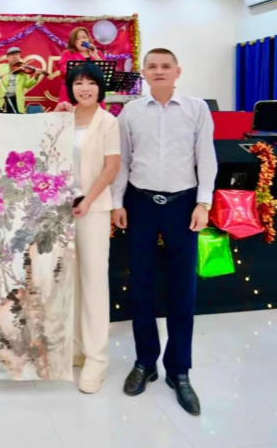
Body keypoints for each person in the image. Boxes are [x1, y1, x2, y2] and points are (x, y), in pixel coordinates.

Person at [111, 48, 217, 416]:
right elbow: (123, 160)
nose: (159, 71)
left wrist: (203, 203)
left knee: (182, 289)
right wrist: (117, 202)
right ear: (143, 72)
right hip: (140, 203)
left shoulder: (196, 109)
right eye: (152, 66)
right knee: (141, 285)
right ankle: (145, 363)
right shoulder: (130, 112)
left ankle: (179, 370)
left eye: (165, 66)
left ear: (177, 72)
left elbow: (206, 158)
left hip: (183, 205)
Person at [55, 63, 120, 394]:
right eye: (78, 83)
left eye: (91, 83)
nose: (84, 88)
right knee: (70, 280)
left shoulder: (108, 121)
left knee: (94, 281)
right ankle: (77, 347)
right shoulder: (62, 117)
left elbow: (112, 167)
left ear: (99, 88)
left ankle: (97, 358)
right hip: (61, 210)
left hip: (92, 209)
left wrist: (87, 199)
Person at [0, 46, 44, 114]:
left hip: (17, 101)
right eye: (12, 54)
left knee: (17, 119)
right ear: (7, 57)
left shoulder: (23, 69)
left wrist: (36, 76)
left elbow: (27, 85)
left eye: (17, 54)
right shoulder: (1, 66)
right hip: (2, 100)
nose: (15, 56)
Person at [58, 27, 102, 105]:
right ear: (73, 41)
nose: (82, 40)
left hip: (93, 93)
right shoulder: (68, 54)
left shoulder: (98, 53)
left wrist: (96, 57)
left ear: (88, 39)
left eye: (84, 37)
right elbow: (63, 71)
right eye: (78, 39)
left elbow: (105, 72)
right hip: (72, 94)